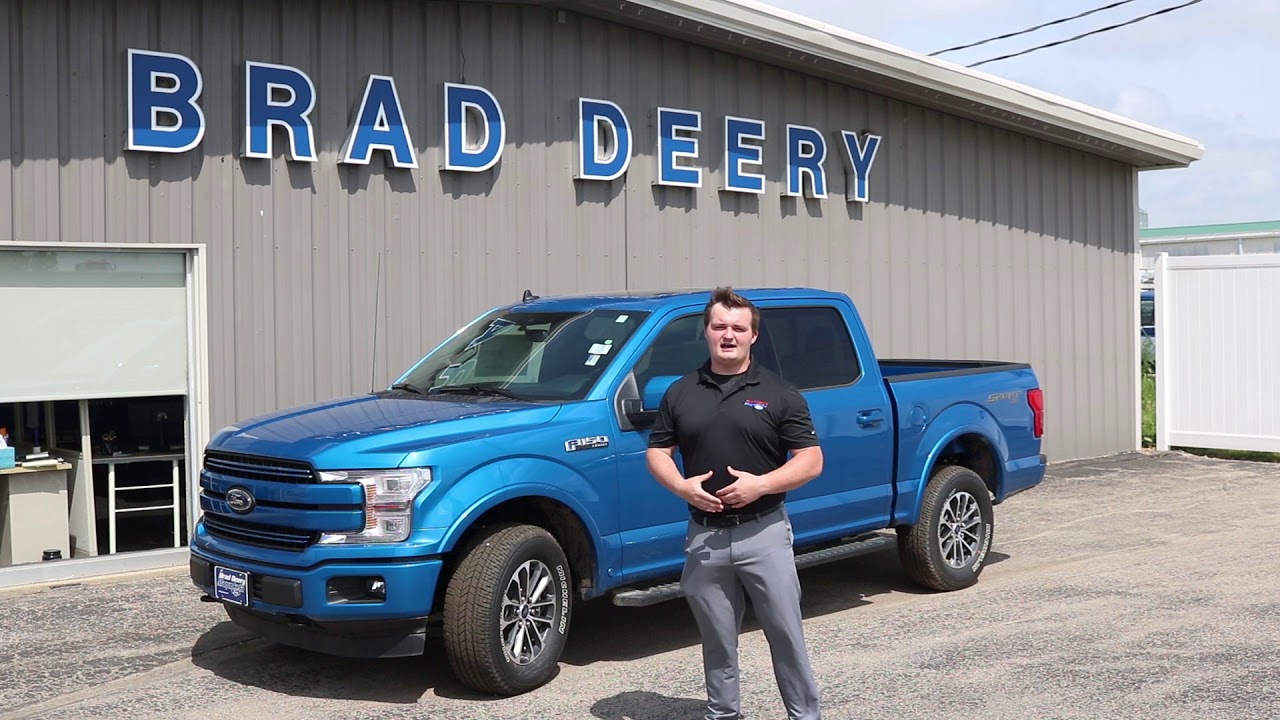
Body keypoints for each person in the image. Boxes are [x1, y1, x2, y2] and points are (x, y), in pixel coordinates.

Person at [645, 286, 825, 720]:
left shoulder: (780, 393)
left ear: (753, 337)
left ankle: (805, 715)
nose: (728, 335)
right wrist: (683, 488)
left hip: (763, 533)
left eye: (738, 328)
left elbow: (811, 460)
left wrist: (761, 485)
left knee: (785, 634)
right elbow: (657, 451)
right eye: (719, 326)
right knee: (717, 639)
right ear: (706, 332)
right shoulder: (680, 392)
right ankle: (723, 713)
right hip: (704, 539)